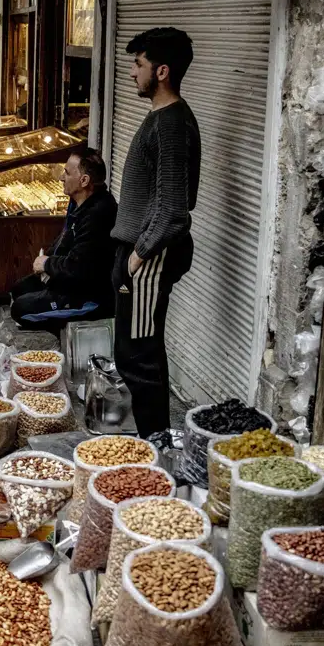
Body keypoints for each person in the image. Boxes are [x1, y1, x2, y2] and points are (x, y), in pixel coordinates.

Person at [111, 27, 201, 438]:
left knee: (139, 353)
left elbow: (173, 210)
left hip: (150, 254)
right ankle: (153, 439)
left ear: (162, 71)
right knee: (134, 349)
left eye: (139, 64)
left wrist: (139, 255)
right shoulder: (161, 118)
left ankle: (156, 445)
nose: (132, 72)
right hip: (139, 250)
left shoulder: (171, 124)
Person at [9, 147, 119, 331]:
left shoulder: (98, 215)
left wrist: (46, 264)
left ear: (84, 181)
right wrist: (48, 264)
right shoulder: (77, 201)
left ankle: (71, 321)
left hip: (89, 295)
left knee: (20, 310)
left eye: (67, 173)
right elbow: (65, 240)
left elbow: (79, 268)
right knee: (19, 288)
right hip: (69, 280)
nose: (61, 177)